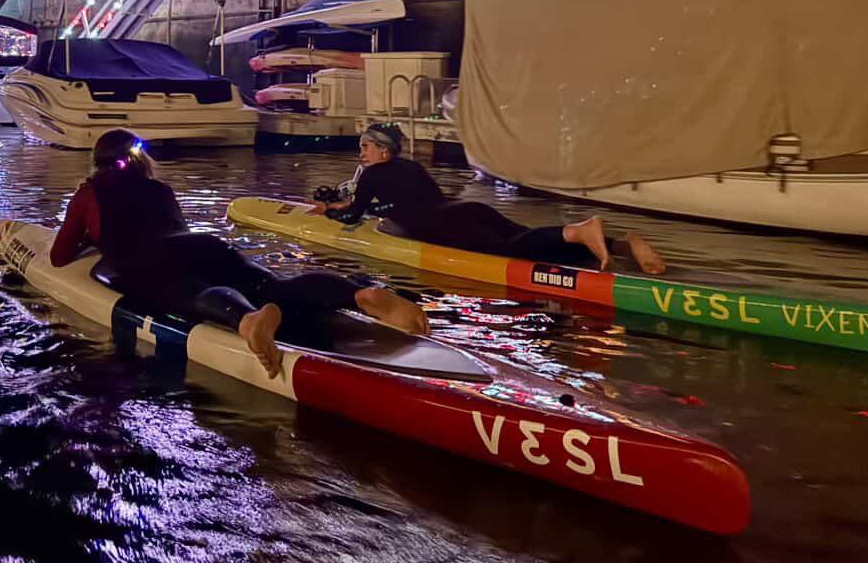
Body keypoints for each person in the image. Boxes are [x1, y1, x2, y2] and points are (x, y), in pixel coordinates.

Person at [51, 129, 429, 378]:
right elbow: (170, 229)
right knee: (273, 284)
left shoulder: (89, 194)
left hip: (149, 263)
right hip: (203, 245)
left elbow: (59, 254)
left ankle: (248, 321)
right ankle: (359, 294)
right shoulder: (160, 190)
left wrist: (91, 238)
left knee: (194, 295)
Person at [309, 124, 665, 275]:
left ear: (383, 151)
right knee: (528, 240)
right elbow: (404, 203)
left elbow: (354, 218)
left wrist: (329, 212)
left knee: (513, 253)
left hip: (447, 226)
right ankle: (620, 245)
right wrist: (371, 207)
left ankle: (581, 231)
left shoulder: (372, 175)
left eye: (365, 147)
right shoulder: (411, 167)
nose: (361, 154)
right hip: (465, 211)